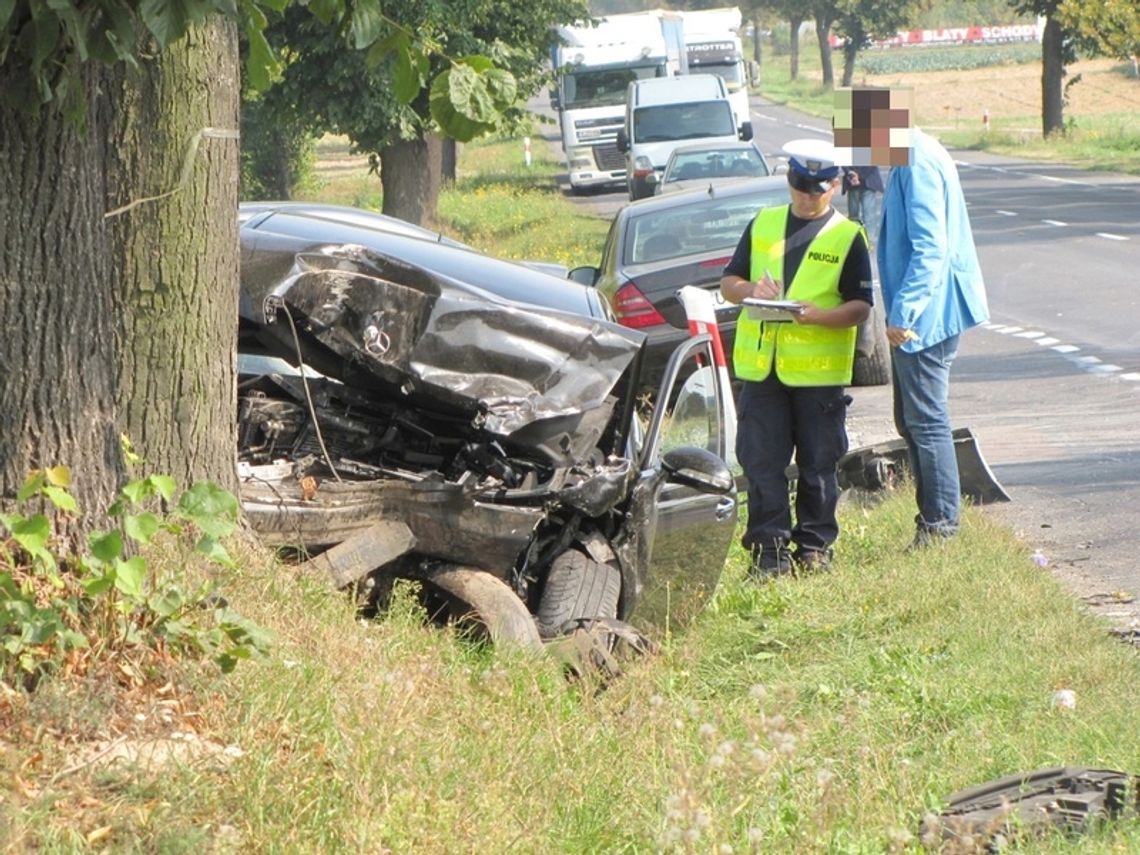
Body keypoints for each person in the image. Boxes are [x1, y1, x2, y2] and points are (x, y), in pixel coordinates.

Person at [719, 138, 873, 578]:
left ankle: (814, 548)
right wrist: (750, 291)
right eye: (801, 186)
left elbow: (860, 306)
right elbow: (730, 280)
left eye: (817, 188)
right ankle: (769, 553)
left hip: (817, 374)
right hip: (763, 368)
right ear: (789, 182)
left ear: (837, 186)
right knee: (762, 463)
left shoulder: (848, 236)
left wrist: (820, 317)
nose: (808, 197)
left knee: (818, 465)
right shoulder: (764, 223)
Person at [876, 126, 989, 548]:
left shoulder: (917, 160)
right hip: (926, 309)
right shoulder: (912, 151)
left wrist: (905, 312)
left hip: (925, 313)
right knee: (913, 420)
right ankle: (933, 521)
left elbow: (930, 247)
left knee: (926, 422)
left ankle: (941, 527)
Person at [841, 165, 884, 247]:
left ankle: (868, 241)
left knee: (868, 215)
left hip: (868, 182)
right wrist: (850, 173)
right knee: (854, 216)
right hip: (852, 183)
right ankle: (854, 241)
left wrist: (857, 175)